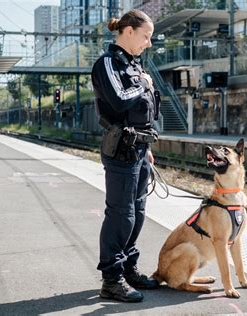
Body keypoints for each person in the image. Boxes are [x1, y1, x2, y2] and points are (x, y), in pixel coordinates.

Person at [91, 9, 160, 303]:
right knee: (121, 214)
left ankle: (128, 268)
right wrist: (142, 85)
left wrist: (149, 149)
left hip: (141, 149)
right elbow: (119, 100)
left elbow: (146, 110)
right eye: (146, 36)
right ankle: (111, 278)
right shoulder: (108, 63)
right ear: (128, 31)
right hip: (121, 149)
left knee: (138, 212)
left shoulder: (134, 66)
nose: (149, 43)